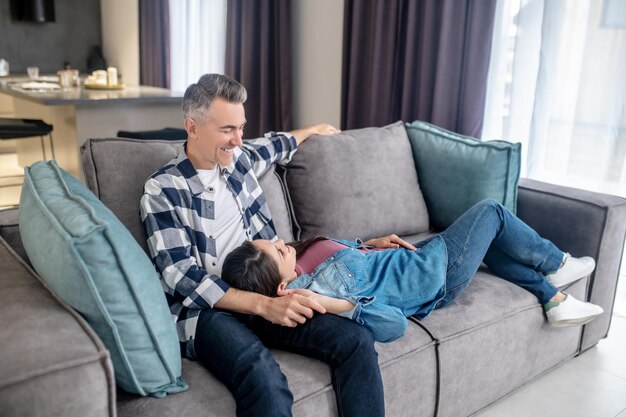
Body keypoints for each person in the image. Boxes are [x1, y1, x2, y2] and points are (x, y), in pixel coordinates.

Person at [140, 74, 384, 417]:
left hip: (270, 288)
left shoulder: (239, 159)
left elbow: (276, 144)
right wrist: (263, 307)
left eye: (241, 128)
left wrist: (313, 129)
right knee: (263, 376)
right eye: (227, 129)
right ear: (192, 128)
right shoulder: (163, 190)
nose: (238, 140)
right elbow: (180, 276)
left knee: (356, 340)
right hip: (208, 313)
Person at [221, 199, 604, 343]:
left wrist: (370, 245)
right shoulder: (314, 292)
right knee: (492, 212)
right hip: (434, 274)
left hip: (415, 257)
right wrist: (332, 304)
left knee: (490, 239)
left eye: (270, 240)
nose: (278, 240)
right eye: (274, 250)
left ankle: (553, 298)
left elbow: (354, 263)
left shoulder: (302, 261)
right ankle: (557, 265)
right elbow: (393, 325)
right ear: (283, 284)